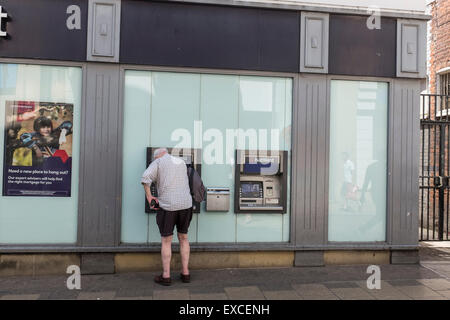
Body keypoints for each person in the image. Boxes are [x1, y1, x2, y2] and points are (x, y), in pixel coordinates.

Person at [141, 148, 193, 286]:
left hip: (168, 206)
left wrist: (149, 197)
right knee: (184, 237)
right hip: (186, 204)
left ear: (157, 156)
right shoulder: (181, 162)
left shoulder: (158, 162)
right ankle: (185, 273)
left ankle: (166, 276)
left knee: (166, 241)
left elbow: (145, 178)